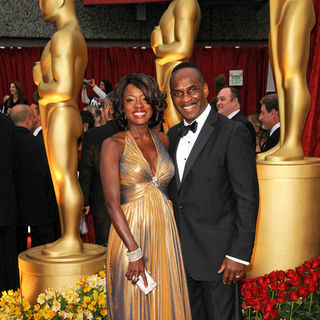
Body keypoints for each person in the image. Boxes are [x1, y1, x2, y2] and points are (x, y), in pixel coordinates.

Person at [168, 62, 259, 320]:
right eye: (178, 92)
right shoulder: (172, 134)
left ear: (206, 89)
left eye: (192, 89)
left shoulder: (233, 132)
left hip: (221, 261)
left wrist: (238, 255)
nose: (185, 98)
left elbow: (247, 198)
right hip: (181, 258)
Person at [100, 73, 191, 319]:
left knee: (166, 304)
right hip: (129, 234)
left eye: (144, 99)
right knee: (132, 304)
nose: (139, 106)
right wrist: (134, 252)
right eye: (131, 100)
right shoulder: (113, 145)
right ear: (122, 106)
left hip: (165, 232)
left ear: (154, 103)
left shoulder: (164, 139)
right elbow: (111, 204)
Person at [32, 0, 87, 257]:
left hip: (63, 111)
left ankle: (71, 237)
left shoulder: (64, 37)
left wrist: (40, 83)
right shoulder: (70, 35)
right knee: (61, 179)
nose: (41, 5)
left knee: (65, 177)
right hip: (62, 112)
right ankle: (68, 236)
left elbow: (62, 88)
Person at [261, 0, 315, 161]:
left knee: (292, 75)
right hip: (278, 8)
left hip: (296, 4)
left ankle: (293, 143)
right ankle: (284, 141)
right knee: (283, 80)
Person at [10, 105, 59, 253]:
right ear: (28, 122)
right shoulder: (42, 145)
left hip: (13, 216)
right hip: (42, 214)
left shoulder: (7, 145)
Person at [151, 0, 201, 131]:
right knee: (171, 129)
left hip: (176, 72)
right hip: (167, 72)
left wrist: (158, 49)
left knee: (177, 127)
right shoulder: (174, 5)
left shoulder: (185, 2)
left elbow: (183, 48)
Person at [79, 92, 119, 246]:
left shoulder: (93, 135)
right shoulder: (135, 132)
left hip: (102, 201)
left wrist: (85, 200)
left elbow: (86, 170)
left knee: (106, 248)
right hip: (133, 201)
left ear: (107, 109)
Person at [0, 113, 19, 292]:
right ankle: (11, 297)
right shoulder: (7, 123)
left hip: (8, 199)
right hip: (8, 200)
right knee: (9, 252)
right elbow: (16, 161)